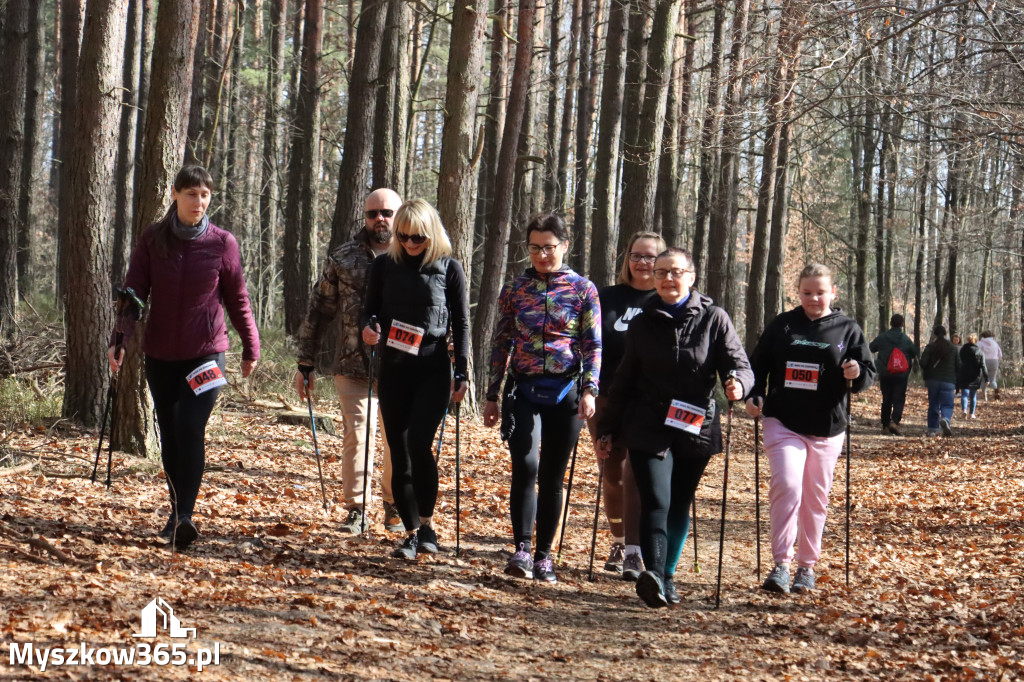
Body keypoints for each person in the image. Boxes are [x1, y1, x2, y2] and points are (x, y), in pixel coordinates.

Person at [107, 165, 260, 549]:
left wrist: (250, 344)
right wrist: (119, 339)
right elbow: (134, 292)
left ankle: (186, 516)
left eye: (205, 195)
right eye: (191, 194)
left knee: (191, 426)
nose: (198, 201)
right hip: (160, 353)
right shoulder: (153, 239)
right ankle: (175, 511)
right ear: (174, 194)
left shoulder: (222, 243)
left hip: (206, 354)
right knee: (171, 432)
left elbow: (237, 297)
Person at [596, 248, 751, 608]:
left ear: (691, 277)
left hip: (695, 423)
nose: (667, 278)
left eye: (675, 272)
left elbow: (739, 365)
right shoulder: (642, 322)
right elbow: (624, 378)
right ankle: (657, 577)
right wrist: (608, 426)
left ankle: (668, 575)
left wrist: (738, 385)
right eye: (661, 272)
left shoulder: (714, 319)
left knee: (679, 504)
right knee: (656, 500)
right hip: (647, 423)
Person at [483, 213, 601, 584]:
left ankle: (545, 555)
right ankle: (521, 548)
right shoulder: (515, 288)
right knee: (526, 464)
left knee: (552, 474)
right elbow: (500, 342)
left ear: (564, 246)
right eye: (534, 248)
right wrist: (491, 395)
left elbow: (593, 344)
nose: (542, 255)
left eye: (549, 247)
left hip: (567, 391)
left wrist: (590, 389)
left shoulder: (583, 290)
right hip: (523, 389)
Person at [745, 263, 874, 594]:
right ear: (797, 292)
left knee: (816, 496)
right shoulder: (783, 325)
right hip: (783, 420)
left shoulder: (847, 328)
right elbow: (757, 366)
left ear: (833, 292)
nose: (814, 298)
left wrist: (856, 373)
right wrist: (754, 394)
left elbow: (868, 374)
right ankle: (781, 565)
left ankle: (806, 567)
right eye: (807, 292)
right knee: (787, 485)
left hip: (828, 426)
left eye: (820, 292)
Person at [361, 199, 470, 559]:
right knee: (399, 449)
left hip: (432, 367)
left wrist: (463, 370)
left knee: (419, 444)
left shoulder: (449, 268)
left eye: (418, 238)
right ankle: (409, 532)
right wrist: (369, 329)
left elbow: (462, 321)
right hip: (394, 367)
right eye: (403, 236)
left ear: (431, 234)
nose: (410, 244)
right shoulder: (383, 267)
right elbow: (369, 311)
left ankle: (427, 525)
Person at [295, 188, 403, 535]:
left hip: (401, 369)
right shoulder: (343, 257)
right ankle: (356, 510)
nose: (380, 219)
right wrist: (305, 363)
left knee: (395, 439)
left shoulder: (415, 254)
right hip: (353, 366)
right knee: (358, 435)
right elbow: (319, 309)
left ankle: (394, 505)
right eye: (373, 214)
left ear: (399, 215)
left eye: (386, 212)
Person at [586, 231, 664, 580]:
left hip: (650, 402)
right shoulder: (606, 297)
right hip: (606, 397)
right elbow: (589, 341)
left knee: (638, 472)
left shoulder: (667, 299)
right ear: (627, 258)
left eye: (651, 257)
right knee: (612, 472)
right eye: (637, 255)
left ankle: (635, 548)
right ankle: (618, 540)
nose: (643, 263)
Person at [869, 314, 918, 435]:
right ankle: (894, 421)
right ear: (902, 324)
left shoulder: (882, 337)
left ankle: (885, 425)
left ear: (891, 323)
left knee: (886, 399)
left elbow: (871, 347)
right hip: (901, 374)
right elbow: (914, 353)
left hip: (885, 373)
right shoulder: (906, 339)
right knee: (899, 398)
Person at [921, 325, 960, 437]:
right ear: (946, 334)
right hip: (948, 380)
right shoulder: (953, 348)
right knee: (947, 404)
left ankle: (933, 429)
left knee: (933, 404)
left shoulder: (930, 347)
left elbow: (923, 363)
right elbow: (959, 365)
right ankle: (946, 419)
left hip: (932, 380)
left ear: (934, 334)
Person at [956, 333, 988, 420]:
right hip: (975, 375)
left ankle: (964, 410)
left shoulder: (963, 350)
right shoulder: (979, 351)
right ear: (976, 341)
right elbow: (983, 365)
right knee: (973, 395)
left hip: (964, 373)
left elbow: (960, 361)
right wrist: (986, 377)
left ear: (967, 340)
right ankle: (971, 414)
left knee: (964, 394)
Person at [977, 331, 1002, 400]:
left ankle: (984, 396)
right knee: (992, 379)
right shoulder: (995, 343)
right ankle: (996, 393)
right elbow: (1000, 355)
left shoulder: (980, 343)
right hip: (994, 361)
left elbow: (977, 353)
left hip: (984, 361)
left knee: (983, 379)